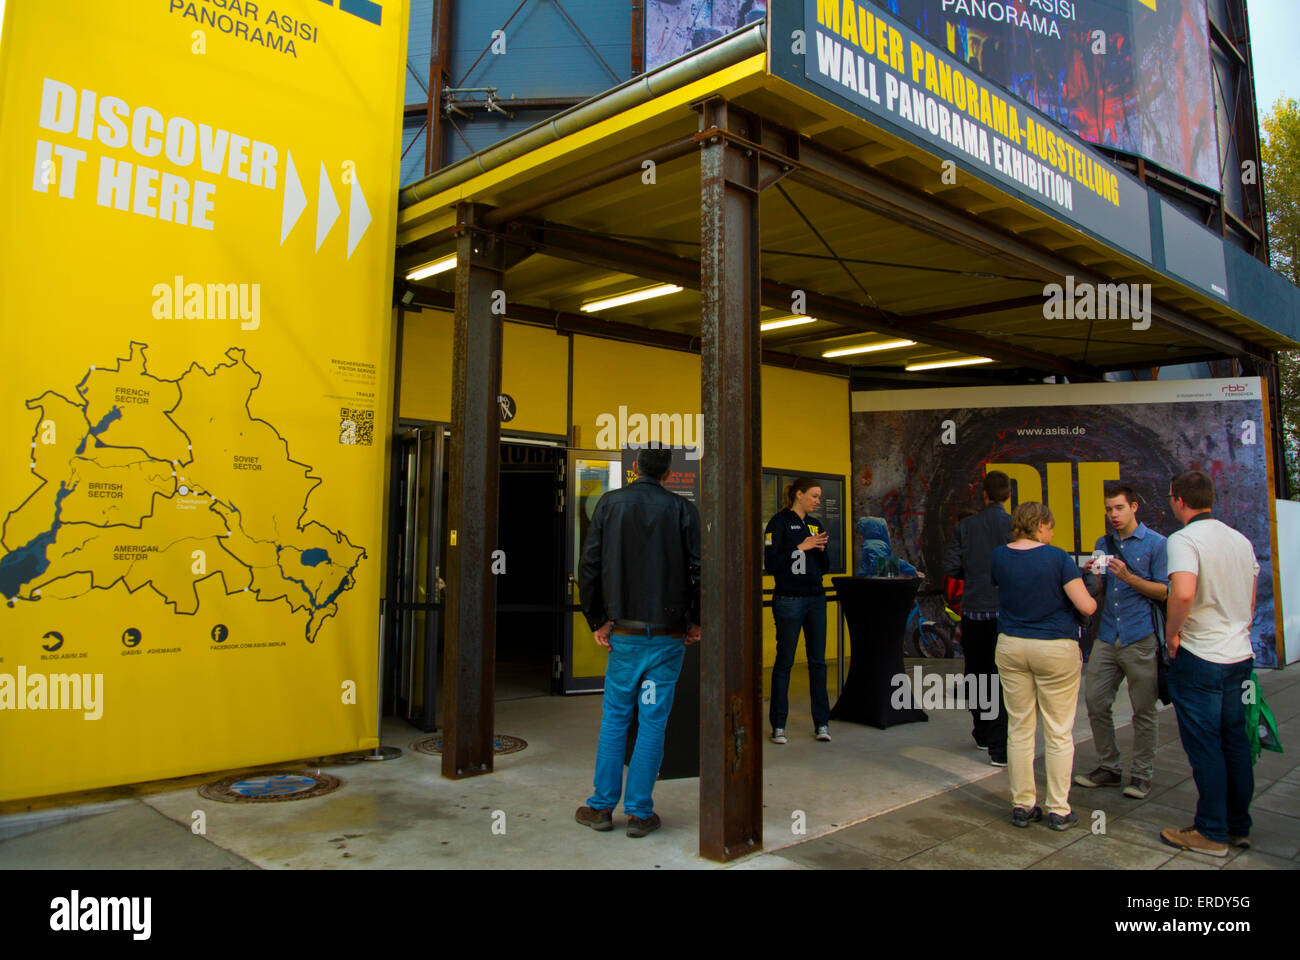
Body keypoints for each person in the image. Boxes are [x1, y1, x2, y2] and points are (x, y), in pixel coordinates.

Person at [574, 447, 701, 838]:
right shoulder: (682, 510)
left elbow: (590, 565)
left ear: (635, 469)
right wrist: (695, 621)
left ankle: (600, 807)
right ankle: (640, 813)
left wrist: (597, 619)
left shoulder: (610, 505)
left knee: (615, 718)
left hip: (624, 633)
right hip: (666, 635)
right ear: (668, 474)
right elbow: (700, 568)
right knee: (652, 723)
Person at [1159, 470, 1259, 857]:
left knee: (1205, 746)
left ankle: (1211, 832)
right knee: (1235, 743)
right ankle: (1239, 827)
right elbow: (1249, 603)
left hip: (1200, 656)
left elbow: (1182, 593)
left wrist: (1172, 634)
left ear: (1178, 500)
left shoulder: (1183, 539)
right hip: (1240, 657)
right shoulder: (1240, 540)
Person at [990, 502, 1097, 830]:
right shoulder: (1058, 558)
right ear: (1038, 525)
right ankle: (1058, 808)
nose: (1052, 533)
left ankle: (1022, 805)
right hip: (1054, 647)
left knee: (1019, 727)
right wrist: (1089, 579)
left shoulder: (999, 555)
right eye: (1049, 527)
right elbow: (1087, 606)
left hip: (1010, 645)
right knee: (1058, 730)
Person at [1074, 482, 1168, 800]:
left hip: (1140, 637)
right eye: (1108, 509)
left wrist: (1130, 578)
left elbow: (1165, 591)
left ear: (1133, 507)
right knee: (1096, 701)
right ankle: (1110, 767)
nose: (1113, 515)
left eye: (1119, 508)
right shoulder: (1104, 543)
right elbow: (1097, 591)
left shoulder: (1156, 544)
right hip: (1107, 635)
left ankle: (1141, 775)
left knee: (1143, 710)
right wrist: (1090, 576)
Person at [944, 470, 1013, 766]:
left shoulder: (967, 526)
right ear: (1007, 496)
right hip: (1007, 612)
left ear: (984, 494)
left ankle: (982, 732)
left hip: (974, 611)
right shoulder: (1014, 526)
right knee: (1005, 677)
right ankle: (1000, 743)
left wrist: (972, 574)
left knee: (977, 672)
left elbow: (950, 565)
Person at [764, 477, 831, 744]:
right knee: (785, 662)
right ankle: (778, 725)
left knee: (818, 662)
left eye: (819, 497)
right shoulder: (778, 523)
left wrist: (819, 548)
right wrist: (800, 547)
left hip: (816, 599)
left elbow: (825, 565)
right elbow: (772, 563)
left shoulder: (815, 524)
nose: (818, 501)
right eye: (814, 496)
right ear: (799, 495)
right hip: (789, 600)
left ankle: (822, 723)